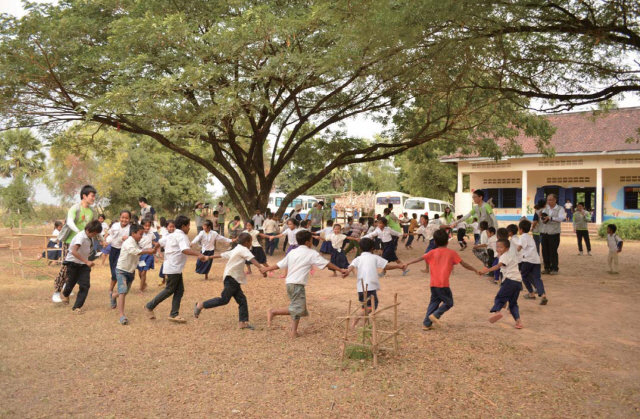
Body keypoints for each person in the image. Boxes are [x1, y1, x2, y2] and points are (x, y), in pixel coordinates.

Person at [263, 230, 347, 338]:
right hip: (296, 284)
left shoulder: (293, 252)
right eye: (311, 240)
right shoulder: (311, 253)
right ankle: (273, 312)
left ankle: (294, 332)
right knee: (299, 308)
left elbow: (280, 264)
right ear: (307, 242)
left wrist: (266, 269)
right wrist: (340, 270)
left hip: (290, 283)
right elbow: (327, 264)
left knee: (297, 306)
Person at [405, 229, 480, 330]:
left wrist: (408, 263)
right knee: (449, 302)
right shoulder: (452, 253)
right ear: (447, 241)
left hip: (433, 284)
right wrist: (475, 270)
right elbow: (463, 264)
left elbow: (420, 258)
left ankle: (426, 324)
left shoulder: (432, 252)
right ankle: (435, 315)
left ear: (435, 242)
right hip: (443, 284)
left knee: (434, 303)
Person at [193, 232, 266, 329]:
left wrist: (208, 257)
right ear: (247, 242)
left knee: (242, 300)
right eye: (250, 242)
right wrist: (262, 269)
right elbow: (253, 260)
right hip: (232, 278)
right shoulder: (243, 249)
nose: (251, 244)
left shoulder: (237, 249)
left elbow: (223, 255)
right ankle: (201, 305)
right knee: (224, 299)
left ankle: (242, 323)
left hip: (232, 278)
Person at [143, 215, 208, 323]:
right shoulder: (181, 236)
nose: (189, 228)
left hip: (174, 267)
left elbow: (160, 242)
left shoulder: (172, 235)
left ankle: (174, 314)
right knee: (169, 289)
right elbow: (184, 250)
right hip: (173, 267)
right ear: (183, 226)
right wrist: (199, 254)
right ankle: (149, 306)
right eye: (188, 226)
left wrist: (154, 249)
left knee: (179, 290)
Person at [342, 238, 406, 328]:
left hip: (361, 287)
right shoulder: (375, 257)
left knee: (365, 305)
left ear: (359, 248)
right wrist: (398, 266)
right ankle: (357, 317)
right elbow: (386, 266)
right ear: (372, 248)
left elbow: (351, 267)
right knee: (372, 305)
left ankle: (364, 325)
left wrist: (347, 272)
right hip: (371, 286)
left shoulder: (358, 259)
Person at [52, 185, 96, 303]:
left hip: (85, 243)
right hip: (70, 242)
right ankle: (57, 291)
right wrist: (78, 232)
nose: (94, 198)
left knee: (78, 267)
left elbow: (94, 226)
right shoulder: (75, 208)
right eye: (92, 196)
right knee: (67, 267)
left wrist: (101, 238)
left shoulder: (92, 211)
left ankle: (68, 288)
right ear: (84, 196)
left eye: (94, 196)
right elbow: (70, 222)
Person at [112, 223, 160, 325]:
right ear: (133, 233)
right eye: (140, 234)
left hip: (130, 271)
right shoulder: (128, 242)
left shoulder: (136, 242)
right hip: (122, 270)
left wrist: (148, 250)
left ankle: (113, 296)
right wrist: (147, 251)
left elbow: (138, 250)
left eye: (142, 234)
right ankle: (121, 315)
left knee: (124, 291)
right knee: (123, 292)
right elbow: (134, 252)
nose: (141, 236)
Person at [60, 220, 103, 314]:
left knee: (85, 285)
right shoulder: (81, 237)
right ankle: (65, 293)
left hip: (83, 265)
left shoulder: (89, 237)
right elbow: (74, 251)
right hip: (73, 263)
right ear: (89, 230)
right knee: (71, 283)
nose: (95, 235)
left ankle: (77, 307)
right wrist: (86, 261)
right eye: (95, 233)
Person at [480, 239, 523, 329]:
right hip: (518, 281)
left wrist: (487, 271)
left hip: (510, 280)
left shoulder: (504, 256)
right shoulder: (510, 255)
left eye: (501, 247)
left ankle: (497, 312)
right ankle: (518, 321)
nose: (498, 249)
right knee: (513, 303)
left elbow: (498, 266)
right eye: (497, 247)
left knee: (499, 298)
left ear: (507, 248)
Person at [517, 219, 548, 305]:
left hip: (527, 260)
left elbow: (519, 248)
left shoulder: (522, 237)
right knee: (537, 278)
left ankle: (531, 293)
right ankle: (543, 294)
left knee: (523, 275)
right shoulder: (530, 237)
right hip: (536, 260)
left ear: (521, 229)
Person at [106, 210, 131, 308]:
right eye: (122, 217)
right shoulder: (115, 226)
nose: (124, 220)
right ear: (120, 217)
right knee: (113, 273)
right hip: (113, 250)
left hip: (123, 252)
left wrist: (128, 239)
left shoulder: (130, 229)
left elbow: (133, 240)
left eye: (126, 218)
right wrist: (105, 241)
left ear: (129, 219)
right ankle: (111, 291)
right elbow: (110, 236)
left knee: (116, 273)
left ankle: (114, 294)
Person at [540, 194, 565, 275]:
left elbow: (561, 218)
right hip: (545, 232)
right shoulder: (545, 209)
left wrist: (550, 218)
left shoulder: (560, 208)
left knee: (553, 251)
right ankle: (546, 268)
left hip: (554, 233)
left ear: (555, 200)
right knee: (544, 251)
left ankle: (554, 268)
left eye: (550, 200)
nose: (548, 201)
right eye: (547, 200)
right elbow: (542, 219)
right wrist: (542, 218)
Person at [136, 218, 158, 292]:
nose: (147, 227)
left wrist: (157, 246)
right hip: (141, 254)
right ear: (142, 225)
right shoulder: (139, 233)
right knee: (140, 271)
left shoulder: (151, 234)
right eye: (145, 226)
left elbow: (153, 242)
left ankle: (140, 288)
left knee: (144, 271)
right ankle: (144, 284)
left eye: (149, 226)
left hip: (149, 254)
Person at [157, 219, 175, 286]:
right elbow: (162, 243)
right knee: (165, 267)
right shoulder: (165, 234)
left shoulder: (176, 234)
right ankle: (164, 280)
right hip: (167, 253)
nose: (172, 228)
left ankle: (168, 281)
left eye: (173, 227)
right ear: (166, 227)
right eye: (170, 227)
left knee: (170, 268)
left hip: (174, 253)